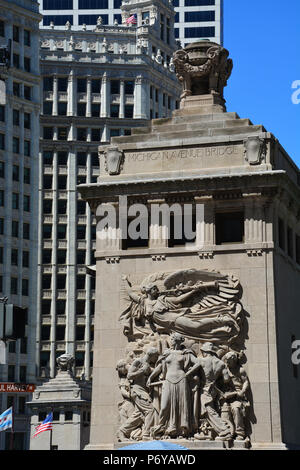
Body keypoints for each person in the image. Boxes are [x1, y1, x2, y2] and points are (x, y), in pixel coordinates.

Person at [147, 333, 197, 438]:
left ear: (178, 340)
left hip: (181, 380)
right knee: (164, 406)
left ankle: (179, 430)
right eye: (172, 338)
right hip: (168, 380)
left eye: (173, 339)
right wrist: (151, 377)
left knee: (182, 405)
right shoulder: (167, 353)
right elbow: (160, 367)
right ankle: (161, 427)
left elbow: (198, 363)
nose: (172, 340)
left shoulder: (185, 353)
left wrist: (188, 373)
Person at [186, 342, 233, 440]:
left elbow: (190, 373)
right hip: (214, 390)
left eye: (203, 352)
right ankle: (209, 431)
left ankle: (225, 431)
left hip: (205, 389)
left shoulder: (201, 361)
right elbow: (226, 379)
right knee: (210, 410)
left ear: (206, 351)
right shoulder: (221, 363)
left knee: (208, 411)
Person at [116, 348, 159, 441]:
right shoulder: (138, 362)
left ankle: (122, 431)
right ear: (151, 355)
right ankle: (146, 435)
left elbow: (155, 371)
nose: (156, 359)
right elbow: (129, 375)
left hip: (143, 391)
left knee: (139, 414)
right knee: (150, 410)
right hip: (137, 390)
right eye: (156, 357)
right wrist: (142, 371)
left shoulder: (147, 365)